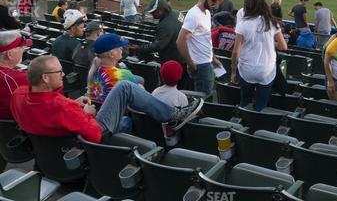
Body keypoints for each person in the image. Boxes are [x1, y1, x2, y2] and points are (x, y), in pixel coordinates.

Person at [11, 55, 204, 144]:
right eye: (58, 72)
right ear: (44, 78)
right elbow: (94, 135)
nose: (63, 74)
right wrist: (86, 114)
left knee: (127, 116)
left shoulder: (19, 95)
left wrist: (73, 104)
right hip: (94, 134)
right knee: (125, 87)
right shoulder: (62, 107)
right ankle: (172, 115)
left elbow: (46, 110)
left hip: (55, 146)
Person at [230, 0, 287, 111]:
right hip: (266, 70)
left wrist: (233, 71)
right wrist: (271, 43)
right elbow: (283, 46)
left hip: (246, 70)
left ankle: (241, 125)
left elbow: (235, 52)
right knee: (261, 105)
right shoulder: (272, 21)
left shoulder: (242, 24)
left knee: (244, 102)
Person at [176, 0, 224, 96]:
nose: (215, 3)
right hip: (200, 64)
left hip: (206, 61)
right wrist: (190, 63)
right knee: (203, 98)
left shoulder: (207, 13)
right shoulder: (194, 15)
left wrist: (213, 58)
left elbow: (205, 40)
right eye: (212, 0)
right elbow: (180, 41)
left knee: (205, 94)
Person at [87, 33, 138, 104]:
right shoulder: (124, 74)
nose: (121, 49)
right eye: (119, 47)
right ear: (111, 54)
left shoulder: (94, 70)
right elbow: (136, 97)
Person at [0, 31, 31, 119]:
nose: (23, 50)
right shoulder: (17, 78)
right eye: (21, 47)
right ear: (10, 54)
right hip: (17, 128)